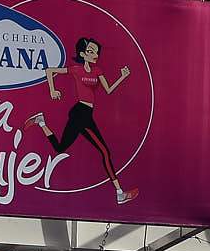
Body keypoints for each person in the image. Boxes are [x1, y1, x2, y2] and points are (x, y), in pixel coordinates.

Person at [25, 36, 136, 205]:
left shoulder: (97, 71)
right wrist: (52, 90)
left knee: (60, 148)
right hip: (80, 113)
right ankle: (119, 193)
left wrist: (122, 76)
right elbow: (49, 71)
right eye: (91, 51)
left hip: (85, 114)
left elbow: (108, 90)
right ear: (83, 54)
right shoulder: (76, 69)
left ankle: (41, 122)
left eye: (96, 52)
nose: (95, 54)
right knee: (105, 152)